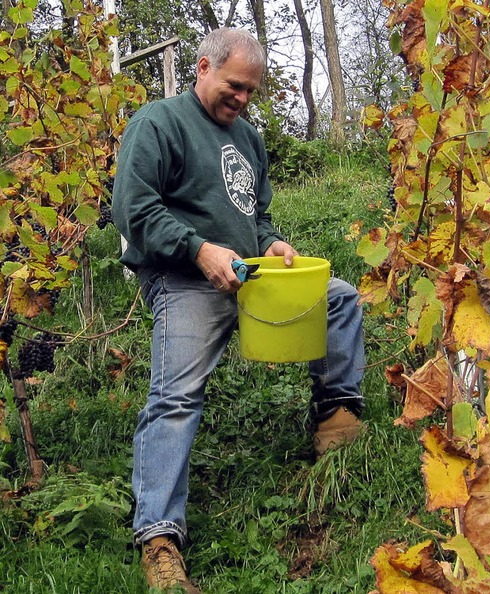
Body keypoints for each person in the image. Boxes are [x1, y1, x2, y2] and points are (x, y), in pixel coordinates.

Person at [112, 28, 366, 593]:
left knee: (341, 299)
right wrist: (198, 250)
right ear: (202, 67)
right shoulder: (158, 123)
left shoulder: (247, 138)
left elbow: (258, 216)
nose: (243, 99)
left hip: (251, 277)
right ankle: (159, 537)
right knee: (174, 396)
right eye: (234, 86)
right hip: (184, 281)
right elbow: (132, 209)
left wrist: (270, 242)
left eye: (252, 91)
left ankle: (336, 419)